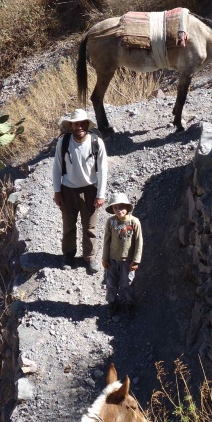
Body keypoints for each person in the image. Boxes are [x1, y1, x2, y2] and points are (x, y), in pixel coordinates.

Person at [53, 108, 108, 273]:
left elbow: (103, 169)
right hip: (68, 189)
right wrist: (57, 191)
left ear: (87, 124)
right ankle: (69, 256)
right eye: (76, 124)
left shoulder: (96, 142)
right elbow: (56, 167)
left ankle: (89, 257)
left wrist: (101, 194)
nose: (79, 127)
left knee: (89, 227)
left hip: (90, 190)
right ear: (71, 126)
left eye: (82, 123)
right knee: (69, 226)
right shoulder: (63, 142)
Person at [102, 192, 143, 320]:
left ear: (127, 207)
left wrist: (136, 261)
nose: (119, 210)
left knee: (127, 284)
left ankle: (129, 305)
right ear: (112, 209)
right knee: (111, 283)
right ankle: (113, 303)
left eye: (121, 207)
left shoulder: (134, 222)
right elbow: (107, 240)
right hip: (113, 260)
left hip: (128, 261)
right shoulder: (111, 222)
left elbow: (139, 242)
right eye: (115, 207)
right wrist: (105, 258)